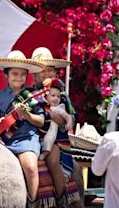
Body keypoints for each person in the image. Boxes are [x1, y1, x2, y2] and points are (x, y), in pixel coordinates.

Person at [0, 50, 45, 203]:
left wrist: (27, 116)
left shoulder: (32, 95)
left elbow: (41, 121)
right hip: (3, 143)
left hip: (27, 140)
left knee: (30, 167)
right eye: (14, 74)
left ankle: (32, 202)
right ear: (6, 75)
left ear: (27, 75)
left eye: (22, 74)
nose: (19, 78)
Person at [31, 47, 82, 207]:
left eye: (50, 70)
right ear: (34, 73)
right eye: (42, 70)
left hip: (57, 140)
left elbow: (67, 118)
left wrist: (55, 116)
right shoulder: (28, 94)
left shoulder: (61, 95)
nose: (47, 74)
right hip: (32, 139)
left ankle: (63, 200)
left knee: (58, 161)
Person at [40, 82, 74, 160]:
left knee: (49, 139)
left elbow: (67, 116)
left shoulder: (58, 108)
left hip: (52, 131)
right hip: (43, 130)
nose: (56, 98)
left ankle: (45, 152)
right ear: (46, 97)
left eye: (58, 97)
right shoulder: (43, 106)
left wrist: (68, 123)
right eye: (53, 96)